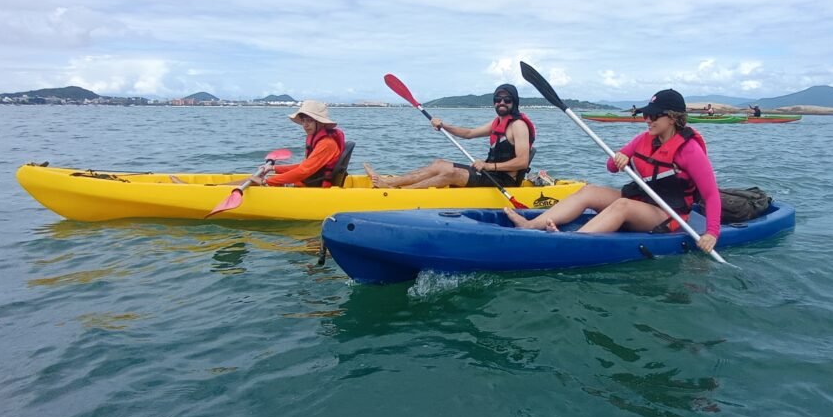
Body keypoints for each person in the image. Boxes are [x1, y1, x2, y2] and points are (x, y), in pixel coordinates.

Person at [504, 89, 722, 253]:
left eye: (654, 116)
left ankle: (571, 242)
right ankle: (531, 225)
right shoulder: (644, 139)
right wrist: (620, 158)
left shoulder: (689, 150)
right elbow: (610, 166)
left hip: (668, 213)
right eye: (647, 114)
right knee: (589, 191)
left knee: (622, 205)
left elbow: (711, 194)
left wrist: (712, 233)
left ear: (672, 117)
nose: (648, 120)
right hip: (643, 200)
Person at [363, 84, 534, 189]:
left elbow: (522, 162)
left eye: (507, 99)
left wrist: (488, 167)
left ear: (514, 102)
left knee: (452, 174)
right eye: (498, 99)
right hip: (490, 173)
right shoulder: (498, 122)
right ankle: (390, 182)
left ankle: (399, 193)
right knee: (439, 164)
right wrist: (444, 125)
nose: (502, 102)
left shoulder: (518, 126)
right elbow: (468, 134)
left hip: (505, 181)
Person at [173, 99, 345, 187]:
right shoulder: (319, 139)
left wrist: (268, 181)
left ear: (320, 122)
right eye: (303, 120)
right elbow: (306, 166)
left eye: (309, 120)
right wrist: (273, 168)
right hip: (308, 182)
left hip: (311, 188)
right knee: (257, 177)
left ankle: (206, 191)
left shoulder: (326, 144)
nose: (305, 125)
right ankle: (208, 188)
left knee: (254, 180)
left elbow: (303, 172)